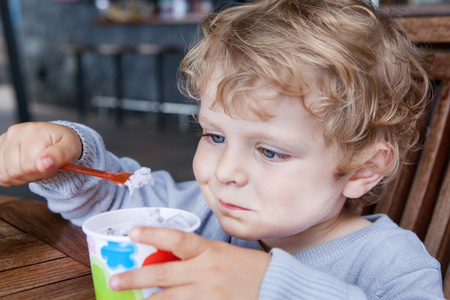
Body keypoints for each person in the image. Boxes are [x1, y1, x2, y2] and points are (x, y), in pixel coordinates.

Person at [0, 0, 445, 298]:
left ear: (363, 170)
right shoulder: (202, 213)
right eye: (215, 136)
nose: (225, 171)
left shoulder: (393, 265)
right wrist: (65, 152)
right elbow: (114, 202)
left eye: (270, 152)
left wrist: (269, 287)